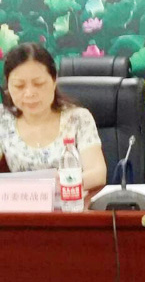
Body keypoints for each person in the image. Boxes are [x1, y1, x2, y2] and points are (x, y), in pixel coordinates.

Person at [0, 43, 106, 190]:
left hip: (69, 200)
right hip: (21, 203)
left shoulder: (78, 118)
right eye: (19, 86)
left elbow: (97, 173)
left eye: (38, 84)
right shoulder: (3, 119)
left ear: (54, 80)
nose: (29, 93)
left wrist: (60, 184)